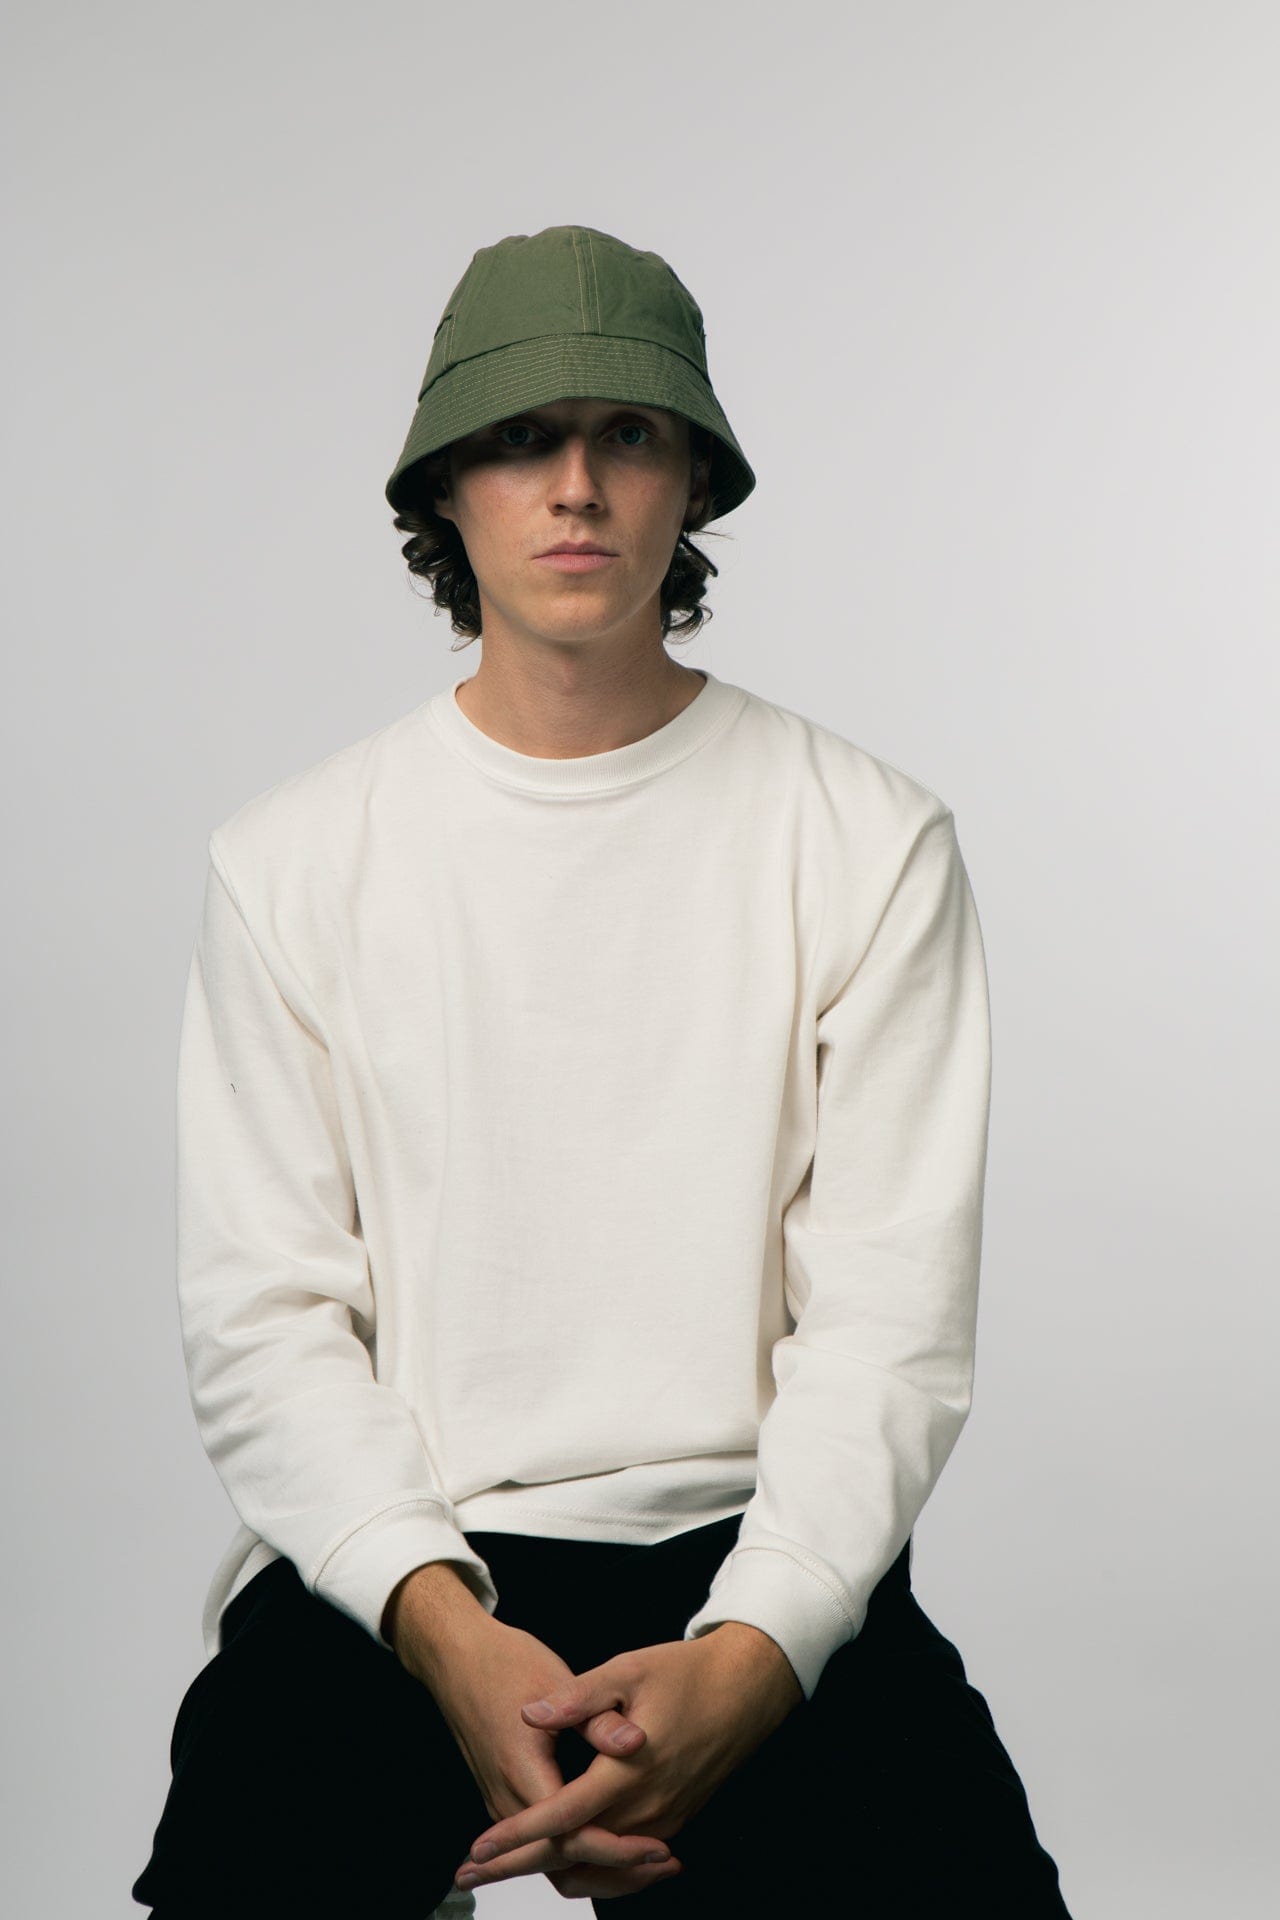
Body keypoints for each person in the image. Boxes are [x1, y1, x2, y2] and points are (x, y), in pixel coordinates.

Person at [131, 225, 1073, 1917]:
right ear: (446, 486)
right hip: (412, 1566)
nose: (575, 486)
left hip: (749, 1555)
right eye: (520, 438)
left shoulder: (865, 839)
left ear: (693, 476)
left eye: (626, 433)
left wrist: (756, 1654)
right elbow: (266, 1323)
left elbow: (888, 1328)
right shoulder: (293, 862)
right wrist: (441, 1630)